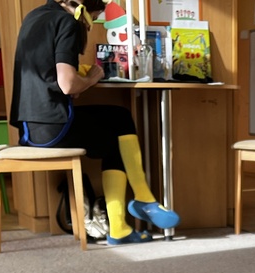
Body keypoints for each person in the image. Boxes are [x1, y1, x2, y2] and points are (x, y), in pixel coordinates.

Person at [11, 0, 180, 245]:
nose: (90, 26)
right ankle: (138, 205)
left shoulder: (34, 16)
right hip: (52, 128)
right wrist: (91, 78)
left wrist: (76, 84)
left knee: (114, 134)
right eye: (95, 18)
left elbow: (47, 76)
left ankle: (128, 219)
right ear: (85, 11)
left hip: (29, 128)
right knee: (120, 122)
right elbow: (67, 84)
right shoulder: (67, 22)